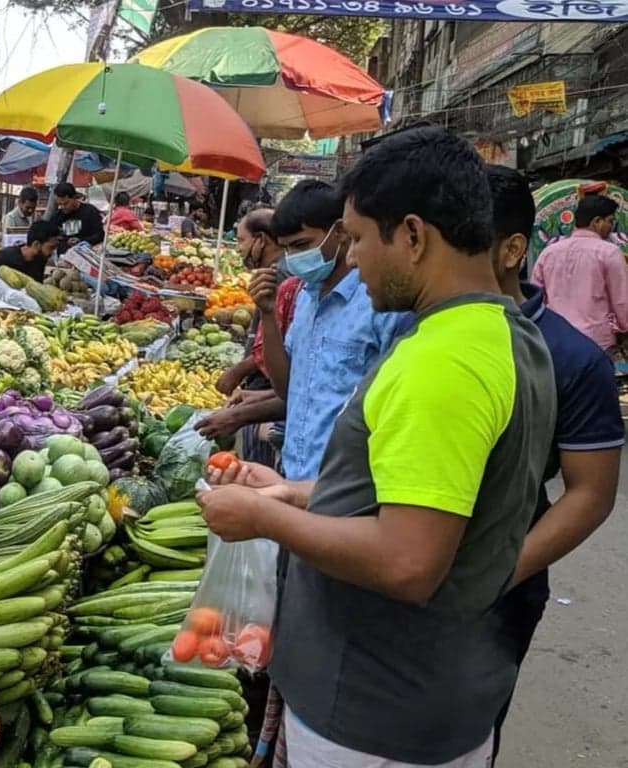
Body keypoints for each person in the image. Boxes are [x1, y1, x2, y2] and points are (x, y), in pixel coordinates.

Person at [201, 126, 557, 767]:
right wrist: (294, 491)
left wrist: (264, 517)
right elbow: (422, 493)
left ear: (414, 236)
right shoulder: (500, 332)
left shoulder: (442, 363)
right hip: (424, 692)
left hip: (375, 715)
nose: (353, 257)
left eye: (359, 238)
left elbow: (406, 560)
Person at [485, 165, 623, 758]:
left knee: (472, 729)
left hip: (499, 578)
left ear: (511, 249)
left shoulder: (569, 362)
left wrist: (498, 574)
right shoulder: (406, 327)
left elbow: (590, 491)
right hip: (394, 572)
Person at [255, 179, 410, 482]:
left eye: (302, 245)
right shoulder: (304, 298)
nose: (295, 259)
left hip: (344, 488)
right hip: (295, 470)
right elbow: (288, 389)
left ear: (339, 232)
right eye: (286, 249)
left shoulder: (377, 305)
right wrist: (268, 314)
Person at [198, 207, 297, 468]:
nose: (238, 248)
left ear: (261, 240)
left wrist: (238, 371)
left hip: (270, 387)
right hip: (265, 393)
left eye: (242, 240)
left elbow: (280, 337)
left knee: (260, 467)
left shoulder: (282, 275)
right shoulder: (272, 273)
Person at [531, 194, 628, 357]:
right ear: (596, 221)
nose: (612, 227)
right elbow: (621, 302)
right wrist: (624, 329)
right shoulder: (609, 252)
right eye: (610, 221)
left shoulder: (548, 253)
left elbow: (535, 298)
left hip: (556, 340)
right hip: (596, 343)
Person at [0, 220, 60, 285]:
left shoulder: (39, 260)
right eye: (51, 247)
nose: (52, 252)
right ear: (36, 245)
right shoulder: (8, 256)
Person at [50, 183, 105, 252]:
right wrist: (66, 241)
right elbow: (53, 239)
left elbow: (99, 235)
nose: (63, 207)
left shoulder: (90, 212)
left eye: (66, 203)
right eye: (59, 204)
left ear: (74, 198)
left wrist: (82, 240)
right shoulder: (57, 217)